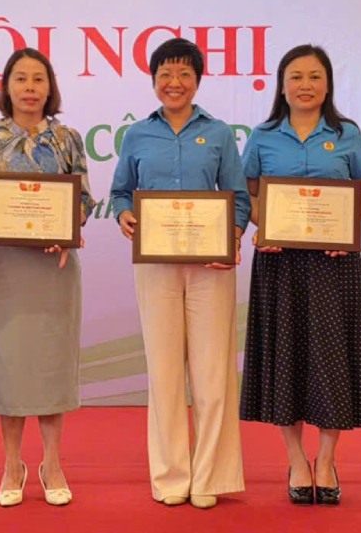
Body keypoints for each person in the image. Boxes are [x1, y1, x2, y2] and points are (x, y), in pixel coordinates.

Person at [110, 38, 250, 509]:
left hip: (211, 266)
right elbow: (121, 192)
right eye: (166, 74)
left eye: (184, 74)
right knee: (165, 372)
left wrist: (232, 236)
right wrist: (124, 214)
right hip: (156, 266)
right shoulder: (137, 135)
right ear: (154, 81)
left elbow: (239, 196)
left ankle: (209, 476)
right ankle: (171, 476)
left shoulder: (220, 133)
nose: (175, 83)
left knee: (213, 374)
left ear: (198, 80)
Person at [239, 44, 361, 505]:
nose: (306, 85)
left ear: (328, 84)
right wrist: (264, 226)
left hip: (334, 263)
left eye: (315, 76)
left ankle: (327, 459)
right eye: (296, 77)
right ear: (282, 86)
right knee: (287, 359)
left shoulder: (346, 134)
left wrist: (346, 228)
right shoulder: (263, 136)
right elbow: (248, 194)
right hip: (280, 262)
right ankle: (296, 458)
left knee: (332, 360)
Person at [0, 48, 96, 507]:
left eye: (38, 79)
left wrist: (69, 228)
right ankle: (12, 464)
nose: (30, 88)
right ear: (6, 86)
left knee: (51, 363)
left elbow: (84, 200)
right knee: (9, 366)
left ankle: (52, 463)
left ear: (50, 87)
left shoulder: (67, 138)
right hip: (1, 267)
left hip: (52, 268)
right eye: (21, 78)